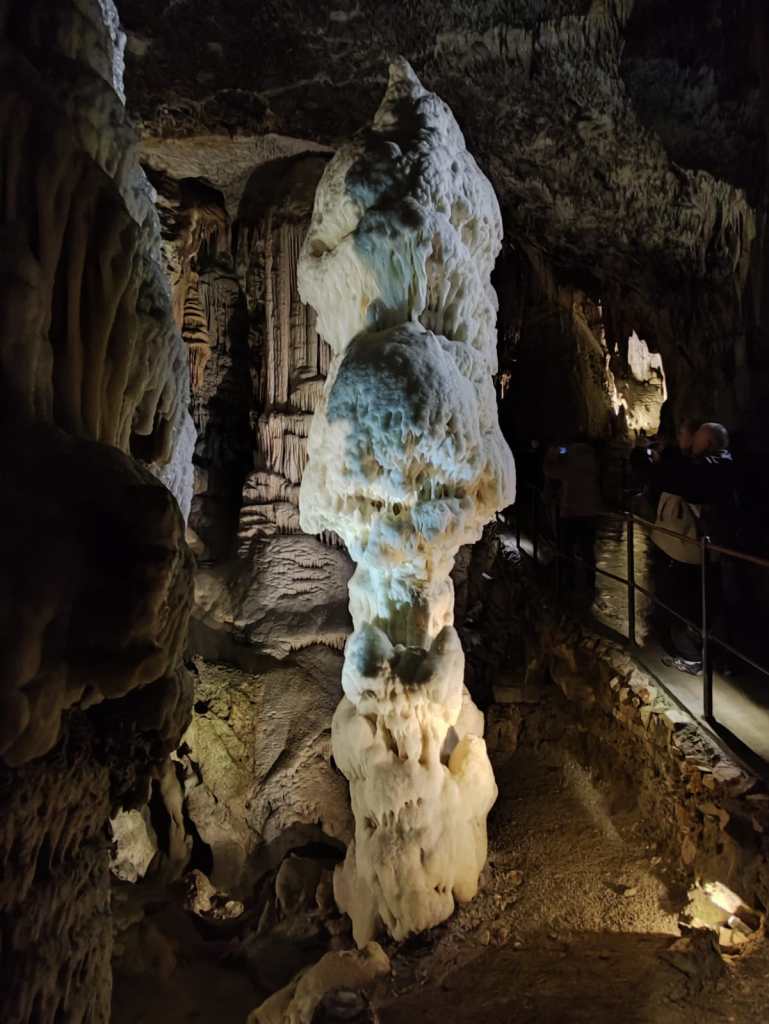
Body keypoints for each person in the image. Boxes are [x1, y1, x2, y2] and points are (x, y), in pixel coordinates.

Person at [646, 422, 739, 674]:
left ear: (707, 443)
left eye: (695, 438)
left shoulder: (712, 468)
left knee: (689, 607)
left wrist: (663, 458)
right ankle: (714, 658)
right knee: (703, 606)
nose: (690, 442)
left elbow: (677, 480)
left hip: (699, 550)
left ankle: (694, 659)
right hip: (701, 549)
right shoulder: (716, 465)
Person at [544, 437, 603, 598]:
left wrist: (552, 456)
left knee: (567, 549)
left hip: (571, 512)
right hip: (590, 512)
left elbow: (550, 471)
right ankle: (590, 583)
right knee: (587, 550)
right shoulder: (591, 460)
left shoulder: (570, 461)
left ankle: (568, 583)